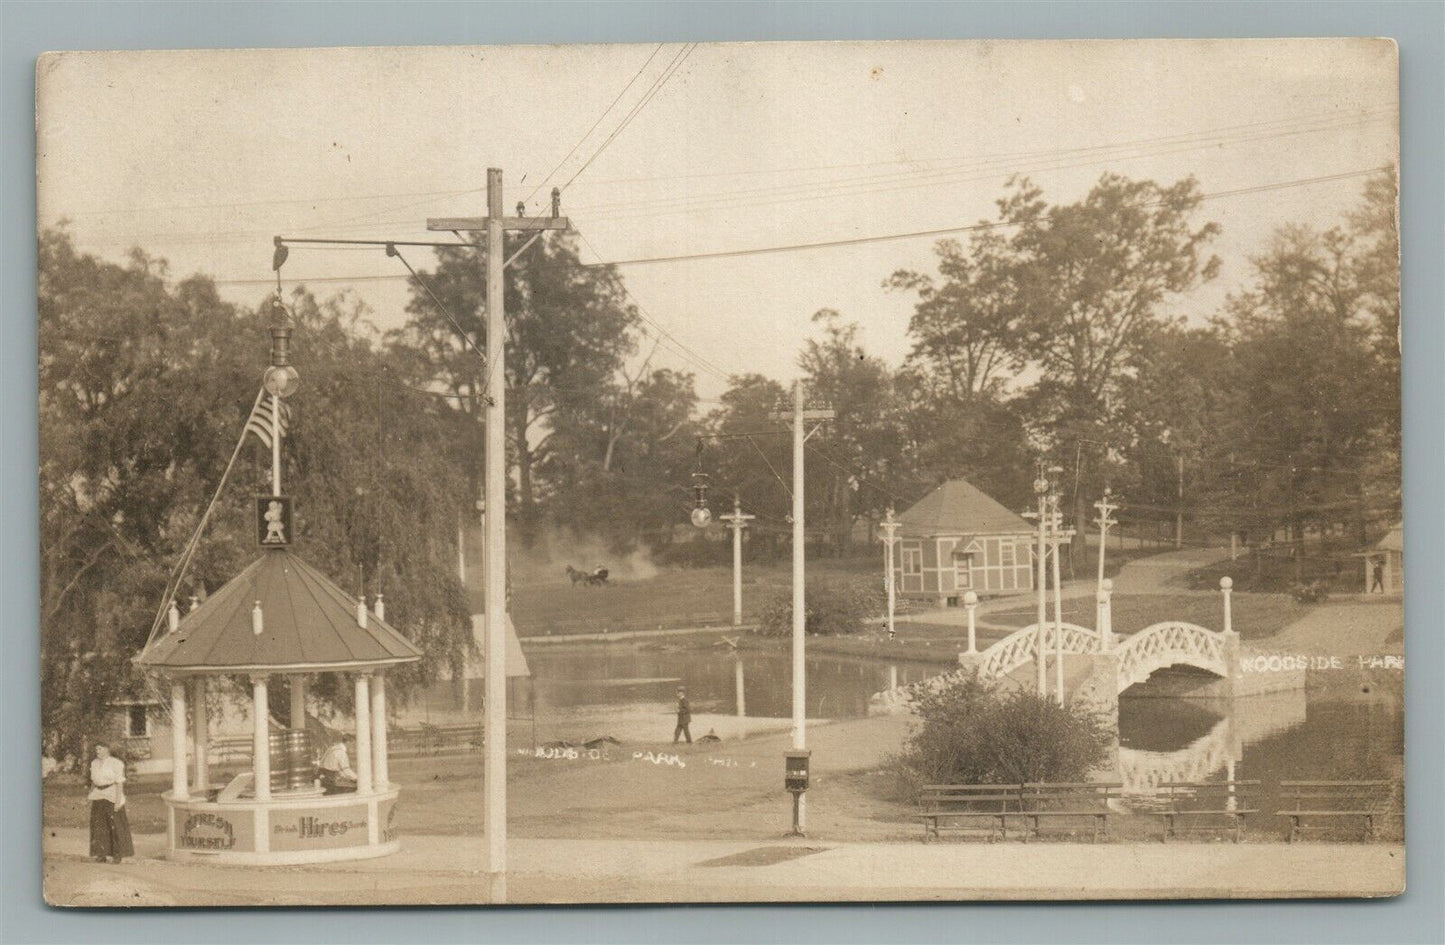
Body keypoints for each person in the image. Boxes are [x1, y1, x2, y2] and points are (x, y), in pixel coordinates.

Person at [88, 743, 134, 864]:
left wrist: (117, 801)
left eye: (100, 749)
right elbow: (94, 781)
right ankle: (101, 854)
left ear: (107, 749)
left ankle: (117, 855)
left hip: (112, 794)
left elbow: (119, 783)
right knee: (99, 825)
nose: (97, 751)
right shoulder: (94, 763)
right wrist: (90, 794)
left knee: (115, 825)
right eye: (96, 749)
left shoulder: (116, 763)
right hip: (98, 794)